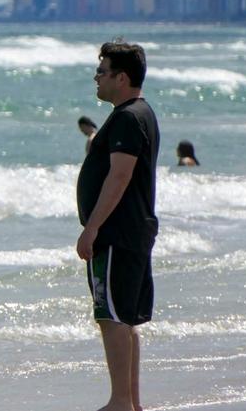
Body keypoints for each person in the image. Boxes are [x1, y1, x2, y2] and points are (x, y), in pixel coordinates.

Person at [76, 40, 160, 411]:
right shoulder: (141, 112)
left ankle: (121, 402)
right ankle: (130, 402)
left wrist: (92, 227)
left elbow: (119, 176)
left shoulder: (128, 117)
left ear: (121, 77)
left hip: (116, 232)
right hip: (133, 230)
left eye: (102, 71)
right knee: (124, 317)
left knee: (110, 316)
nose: (96, 77)